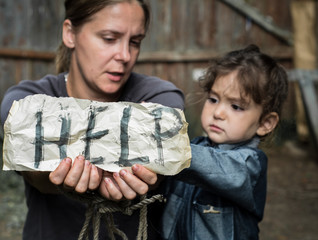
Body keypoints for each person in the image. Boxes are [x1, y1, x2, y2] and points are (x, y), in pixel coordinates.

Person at [0, 0, 184, 239]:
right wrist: (58, 176)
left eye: (135, 42)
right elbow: (34, 172)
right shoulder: (25, 100)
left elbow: (161, 156)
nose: (125, 55)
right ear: (70, 33)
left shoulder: (161, 97)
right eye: (109, 38)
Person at [160, 44, 289, 239]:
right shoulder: (196, 146)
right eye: (213, 99)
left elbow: (214, 165)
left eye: (236, 106)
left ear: (265, 123)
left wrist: (163, 144)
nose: (218, 113)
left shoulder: (250, 165)